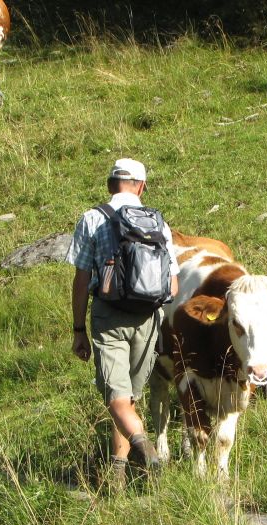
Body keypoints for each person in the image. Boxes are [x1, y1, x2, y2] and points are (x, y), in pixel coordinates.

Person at [67, 158, 179, 489]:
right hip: (149, 317)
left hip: (109, 315)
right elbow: (172, 285)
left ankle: (146, 452)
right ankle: (118, 469)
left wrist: (78, 330)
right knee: (129, 396)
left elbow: (81, 277)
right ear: (141, 186)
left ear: (109, 185)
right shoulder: (159, 222)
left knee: (116, 397)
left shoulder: (92, 218)